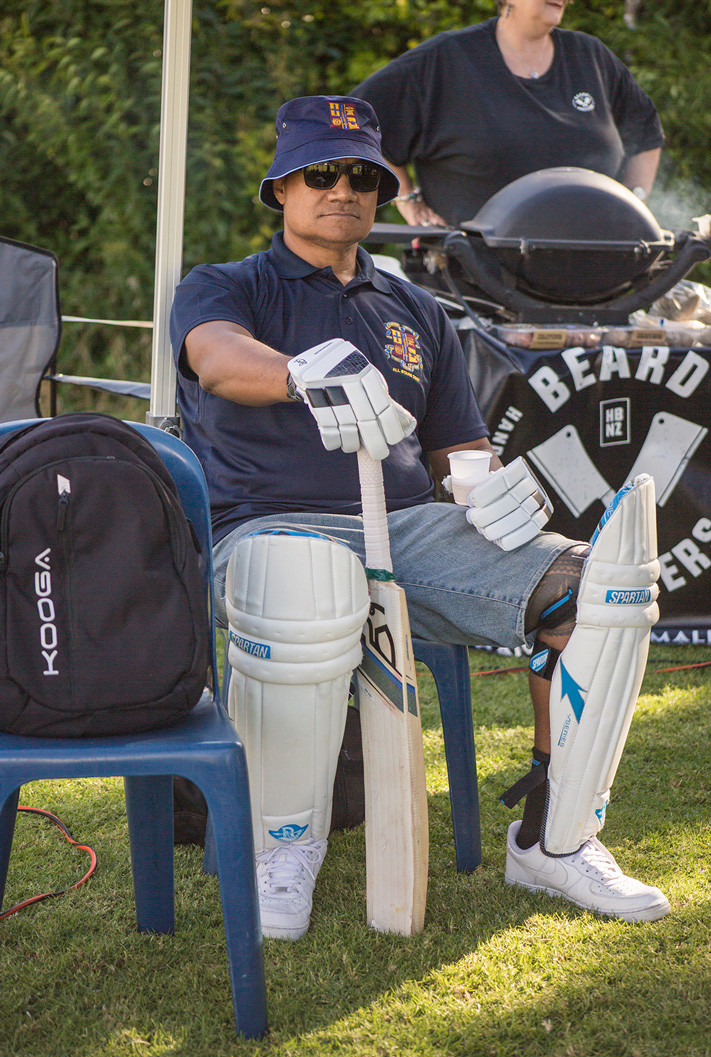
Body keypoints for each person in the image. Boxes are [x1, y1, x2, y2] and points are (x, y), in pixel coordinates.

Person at [169, 95, 670, 940]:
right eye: (320, 173)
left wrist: (494, 492)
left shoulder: (417, 312)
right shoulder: (226, 286)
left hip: (408, 531)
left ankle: (553, 837)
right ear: (281, 188)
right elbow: (217, 360)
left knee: (598, 590)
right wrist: (301, 374)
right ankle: (281, 844)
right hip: (264, 526)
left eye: (362, 175)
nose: (343, 189)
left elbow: (456, 453)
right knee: (306, 582)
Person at [352, 0, 664, 226]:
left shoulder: (590, 56)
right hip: (472, 280)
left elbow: (646, 130)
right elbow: (356, 123)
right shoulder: (446, 59)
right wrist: (408, 200)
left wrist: (632, 207)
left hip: (591, 278)